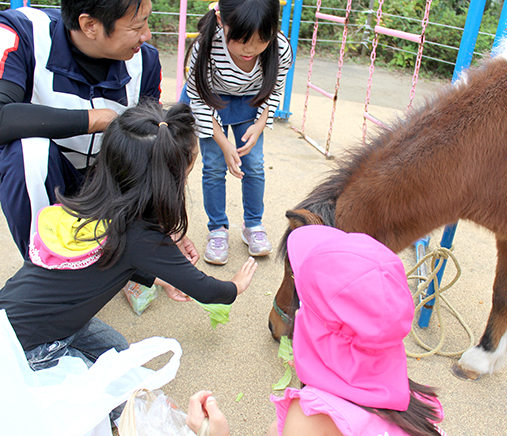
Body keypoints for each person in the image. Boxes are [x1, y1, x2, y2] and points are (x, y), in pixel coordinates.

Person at [0, 101, 257, 378]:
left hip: (17, 315)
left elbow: (110, 262)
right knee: (115, 393)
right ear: (170, 177)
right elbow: (206, 290)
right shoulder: (141, 235)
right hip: (27, 345)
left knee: (117, 350)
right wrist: (235, 286)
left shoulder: (92, 205)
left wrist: (162, 278)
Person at [186, 226, 446, 436]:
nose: (298, 312)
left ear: (319, 332)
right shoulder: (417, 403)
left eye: (304, 305)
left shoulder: (312, 417)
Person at [0, 0, 162, 259]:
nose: (147, 35)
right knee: (29, 150)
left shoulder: (146, 61)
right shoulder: (24, 32)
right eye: (137, 25)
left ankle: (126, 262)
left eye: (147, 21)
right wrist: (93, 119)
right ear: (89, 25)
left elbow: (154, 148)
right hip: (52, 177)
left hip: (106, 180)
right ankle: (46, 268)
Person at [185, 0, 292, 265]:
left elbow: (274, 89)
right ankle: (217, 229)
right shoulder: (205, 47)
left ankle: (253, 226)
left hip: (252, 103)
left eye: (261, 39)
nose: (251, 49)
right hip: (213, 102)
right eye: (243, 39)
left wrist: (259, 125)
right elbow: (198, 99)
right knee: (213, 166)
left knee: (253, 165)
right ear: (222, 21)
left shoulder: (279, 48)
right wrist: (223, 142)